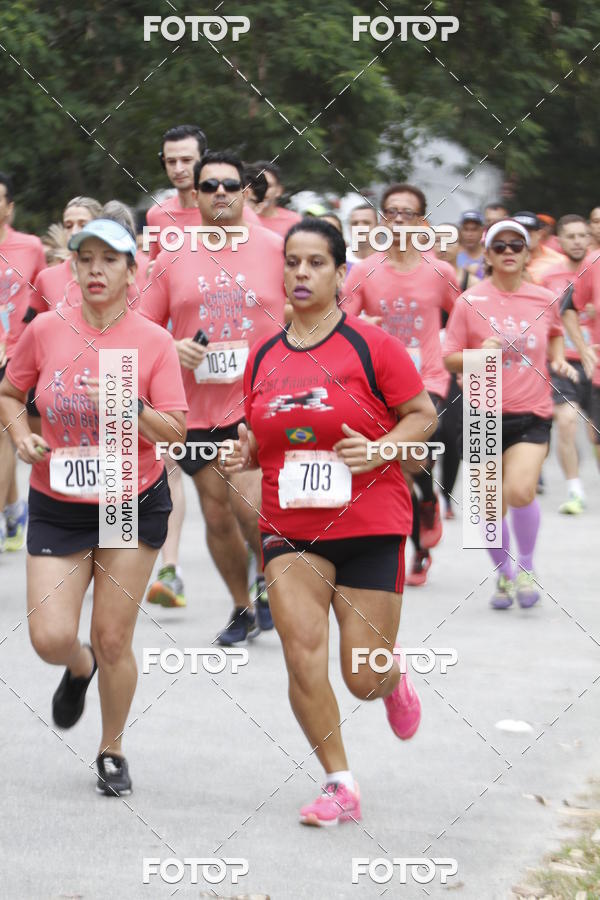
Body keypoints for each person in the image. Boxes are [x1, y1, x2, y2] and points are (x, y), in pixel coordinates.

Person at [221, 218, 436, 825]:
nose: (301, 273)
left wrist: (383, 447)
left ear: (341, 274)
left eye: (316, 263)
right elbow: (266, 439)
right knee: (301, 650)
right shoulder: (262, 355)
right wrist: (247, 454)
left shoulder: (373, 347)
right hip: (291, 524)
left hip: (370, 519)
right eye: (292, 262)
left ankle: (392, 680)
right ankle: (338, 782)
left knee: (361, 675)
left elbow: (421, 416)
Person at [0, 218, 187, 796]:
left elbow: (176, 434)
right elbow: (10, 391)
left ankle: (111, 749)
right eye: (86, 259)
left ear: (133, 271)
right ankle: (77, 670)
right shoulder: (46, 329)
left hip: (128, 501)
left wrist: (131, 407)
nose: (96, 270)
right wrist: (19, 435)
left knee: (112, 637)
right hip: (59, 500)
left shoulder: (153, 341)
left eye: (110, 260)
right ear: (72, 268)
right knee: (50, 638)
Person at [141, 150, 286, 644]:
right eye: (209, 186)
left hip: (259, 403)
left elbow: (314, 312)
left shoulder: (277, 248)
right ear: (196, 195)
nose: (220, 192)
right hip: (196, 409)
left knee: (249, 507)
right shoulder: (172, 255)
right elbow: (140, 329)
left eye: (230, 184)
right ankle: (243, 607)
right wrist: (169, 348)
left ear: (247, 192)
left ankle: (270, 580)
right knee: (218, 513)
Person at [443, 219, 576, 609]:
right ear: (487, 254)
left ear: (526, 252)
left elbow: (553, 332)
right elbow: (449, 358)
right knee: (488, 505)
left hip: (531, 412)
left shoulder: (543, 298)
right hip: (484, 411)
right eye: (499, 246)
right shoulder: (470, 301)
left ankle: (527, 568)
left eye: (515, 245)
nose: (508, 252)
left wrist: (557, 360)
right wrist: (480, 353)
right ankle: (504, 573)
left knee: (519, 491)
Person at [343, 183, 459, 586]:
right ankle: (422, 531)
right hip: (381, 385)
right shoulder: (364, 271)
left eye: (407, 213)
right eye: (391, 212)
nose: (398, 220)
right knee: (403, 468)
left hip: (429, 378)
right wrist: (362, 326)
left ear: (421, 222)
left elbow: (462, 318)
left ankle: (425, 510)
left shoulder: (439, 272)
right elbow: (339, 324)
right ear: (381, 220)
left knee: (413, 449)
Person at [0, 172, 46, 551]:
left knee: (4, 435)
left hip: (15, 355)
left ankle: (7, 514)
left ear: (10, 206)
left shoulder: (30, 247)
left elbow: (40, 303)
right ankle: (14, 510)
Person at [542, 215, 595, 513]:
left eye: (582, 235)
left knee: (593, 432)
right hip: (564, 362)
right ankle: (575, 491)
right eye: (570, 236)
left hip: (596, 361)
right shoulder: (548, 278)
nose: (577, 241)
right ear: (559, 241)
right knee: (566, 422)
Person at [513, 211, 563, 284]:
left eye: (528, 233)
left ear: (539, 234)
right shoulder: (501, 261)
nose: (523, 238)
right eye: (517, 234)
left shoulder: (558, 262)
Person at [254, 161, 301, 237]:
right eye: (257, 184)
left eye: (268, 186)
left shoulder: (295, 221)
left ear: (279, 190)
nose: (262, 190)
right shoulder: (239, 219)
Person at [456, 210, 485, 278]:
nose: (469, 234)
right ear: (460, 231)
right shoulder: (454, 255)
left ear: (482, 231)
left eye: (474, 229)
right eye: (466, 229)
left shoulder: (490, 255)